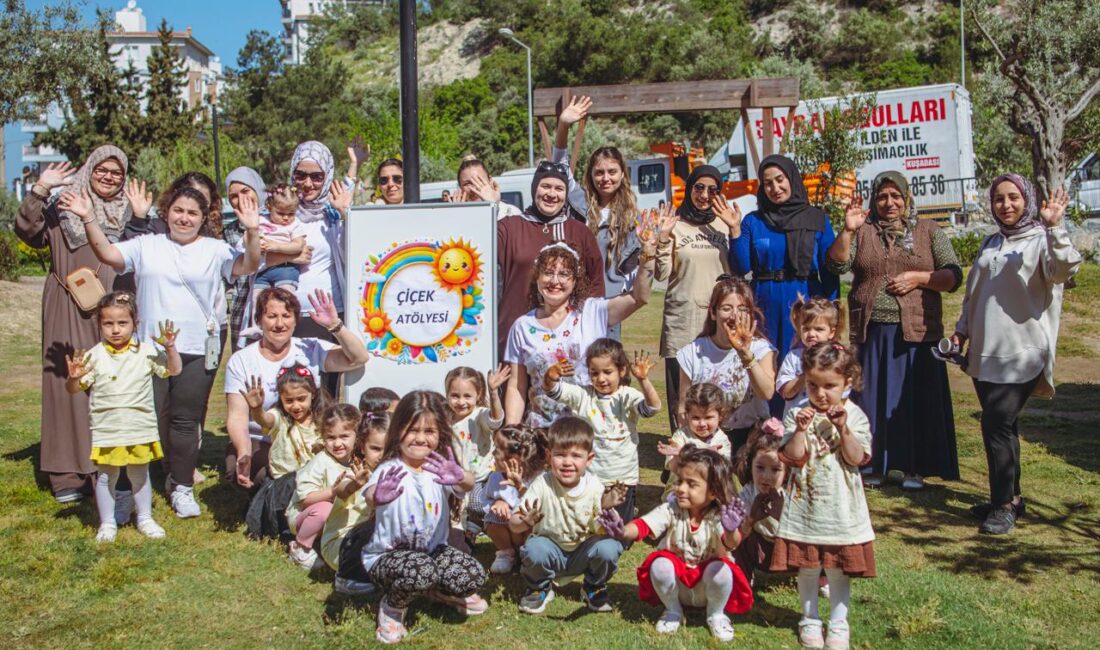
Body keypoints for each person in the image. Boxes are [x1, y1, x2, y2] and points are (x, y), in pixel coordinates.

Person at [61, 179, 261, 519]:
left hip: (197, 348)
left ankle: (180, 485)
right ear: (166, 212)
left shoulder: (215, 249)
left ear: (203, 217)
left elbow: (249, 265)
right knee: (136, 417)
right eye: (178, 211)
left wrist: (252, 230)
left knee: (184, 421)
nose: (184, 218)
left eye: (193, 213)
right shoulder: (146, 245)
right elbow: (108, 254)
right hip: (147, 351)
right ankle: (123, 491)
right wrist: (88, 218)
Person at [952, 176, 1082, 535]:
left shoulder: (1041, 240)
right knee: (1003, 428)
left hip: (1023, 352)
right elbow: (973, 295)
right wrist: (962, 330)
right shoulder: (990, 242)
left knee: (995, 424)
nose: (1006, 205)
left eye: (1013, 198)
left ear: (1026, 200)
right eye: (998, 199)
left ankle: (1002, 505)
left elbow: (1064, 269)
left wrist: (1055, 227)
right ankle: (1012, 498)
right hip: (984, 352)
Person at [827, 172, 962, 490]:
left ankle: (914, 467)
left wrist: (918, 278)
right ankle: (871, 464)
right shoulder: (864, 230)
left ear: (907, 198)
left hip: (916, 331)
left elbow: (953, 276)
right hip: (872, 330)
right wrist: (848, 230)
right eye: (883, 196)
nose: (890, 203)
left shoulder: (928, 230)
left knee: (911, 400)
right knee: (872, 399)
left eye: (896, 196)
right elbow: (837, 265)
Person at [16, 149, 133, 503]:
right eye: (103, 169)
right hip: (67, 302)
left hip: (115, 305)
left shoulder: (129, 211)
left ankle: (108, 467)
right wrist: (40, 190)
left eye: (117, 172)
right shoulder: (64, 204)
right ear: (89, 169)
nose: (109, 177)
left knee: (112, 384)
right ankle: (66, 472)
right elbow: (27, 231)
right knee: (66, 381)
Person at [773, 342, 875, 650]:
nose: (821, 393)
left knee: (837, 568)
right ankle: (810, 619)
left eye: (830, 386)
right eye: (813, 385)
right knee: (807, 566)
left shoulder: (855, 415)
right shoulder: (796, 413)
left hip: (841, 507)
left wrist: (843, 429)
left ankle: (839, 625)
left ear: (848, 381)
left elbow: (857, 457)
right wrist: (801, 431)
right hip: (806, 504)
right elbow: (792, 456)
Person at [362, 391, 487, 644]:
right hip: (387, 558)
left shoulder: (439, 467)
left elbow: (468, 484)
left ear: (440, 433)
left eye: (429, 431)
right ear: (398, 430)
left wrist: (461, 476)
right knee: (420, 570)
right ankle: (392, 608)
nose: (420, 438)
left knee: (474, 574)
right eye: (412, 430)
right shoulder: (390, 468)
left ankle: (436, 592)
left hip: (432, 552)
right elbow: (370, 493)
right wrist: (378, 496)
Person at [599, 447, 753, 642]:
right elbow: (643, 525)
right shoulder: (672, 509)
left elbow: (732, 544)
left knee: (721, 569)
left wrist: (731, 530)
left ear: (713, 492)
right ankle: (673, 611)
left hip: (708, 587)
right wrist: (622, 531)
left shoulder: (718, 515)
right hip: (677, 587)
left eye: (691, 484)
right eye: (680, 481)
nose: (680, 488)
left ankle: (716, 614)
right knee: (659, 565)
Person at [224, 287, 369, 490]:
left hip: (310, 437)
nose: (280, 323)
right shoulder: (242, 360)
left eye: (286, 316)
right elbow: (237, 417)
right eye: (272, 316)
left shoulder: (309, 348)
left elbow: (358, 358)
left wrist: (335, 326)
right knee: (252, 471)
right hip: (264, 439)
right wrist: (243, 451)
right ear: (259, 320)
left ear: (295, 320)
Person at [64, 292, 181, 542]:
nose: (115, 330)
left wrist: (170, 348)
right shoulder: (93, 355)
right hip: (108, 428)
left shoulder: (147, 352)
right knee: (107, 476)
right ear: (99, 325)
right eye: (108, 323)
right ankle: (107, 523)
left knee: (140, 474)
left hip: (140, 426)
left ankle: (145, 518)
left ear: (134, 324)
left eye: (122, 323)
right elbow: (75, 389)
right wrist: (73, 378)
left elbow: (173, 370)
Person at [503, 240, 655, 425]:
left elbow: (639, 297)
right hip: (542, 433)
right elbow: (517, 386)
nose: (555, 281)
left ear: (575, 281)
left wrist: (647, 254)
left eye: (564, 274)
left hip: (590, 431)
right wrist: (511, 432)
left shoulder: (593, 312)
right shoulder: (522, 326)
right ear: (537, 278)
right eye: (548, 273)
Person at [510, 416, 626, 615]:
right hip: (550, 550)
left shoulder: (594, 486)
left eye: (576, 456)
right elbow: (513, 524)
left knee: (610, 548)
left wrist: (605, 507)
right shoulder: (542, 484)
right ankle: (540, 587)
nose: (567, 462)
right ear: (548, 455)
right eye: (560, 455)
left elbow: (609, 529)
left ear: (589, 459)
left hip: (583, 551)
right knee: (533, 548)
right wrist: (524, 521)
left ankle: (593, 586)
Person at [729, 155, 839, 365]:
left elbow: (829, 271)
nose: (775, 188)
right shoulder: (753, 221)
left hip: (805, 301)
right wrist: (734, 230)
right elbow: (741, 267)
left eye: (780, 179)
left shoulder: (817, 219)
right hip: (764, 303)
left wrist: (832, 309)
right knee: (766, 363)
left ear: (792, 179)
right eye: (768, 183)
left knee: (805, 363)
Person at [656, 164, 741, 429]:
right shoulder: (675, 223)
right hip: (683, 320)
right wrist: (662, 238)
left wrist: (735, 231)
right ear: (690, 189)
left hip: (718, 319)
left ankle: (717, 449)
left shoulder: (724, 223)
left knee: (718, 388)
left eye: (712, 189)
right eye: (699, 188)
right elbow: (662, 274)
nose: (704, 195)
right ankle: (681, 449)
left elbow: (739, 269)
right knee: (681, 393)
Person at [542, 339, 661, 526]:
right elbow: (552, 390)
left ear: (621, 371)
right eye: (594, 373)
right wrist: (551, 376)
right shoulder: (583, 396)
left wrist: (644, 380)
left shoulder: (627, 395)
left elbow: (652, 408)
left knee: (619, 530)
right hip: (590, 478)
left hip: (622, 478)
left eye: (608, 372)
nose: (601, 379)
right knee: (588, 524)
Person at [552, 96, 644, 340]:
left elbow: (634, 265)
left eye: (612, 172)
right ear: (591, 175)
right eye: (599, 172)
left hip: (608, 306)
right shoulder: (578, 202)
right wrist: (563, 126)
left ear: (622, 174)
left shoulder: (631, 216)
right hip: (574, 301)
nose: (606, 178)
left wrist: (625, 293)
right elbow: (559, 166)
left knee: (605, 369)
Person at [497, 161, 607, 358]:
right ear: (534, 189)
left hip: (564, 339)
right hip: (514, 336)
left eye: (559, 188)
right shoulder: (509, 228)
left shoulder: (579, 232)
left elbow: (596, 286)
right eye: (545, 186)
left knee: (560, 389)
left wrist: (587, 330)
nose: (552, 194)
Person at [676, 277, 777, 451]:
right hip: (707, 435)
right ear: (713, 313)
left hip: (750, 435)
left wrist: (746, 354)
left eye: (742, 309)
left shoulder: (762, 349)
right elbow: (683, 407)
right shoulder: (692, 353)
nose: (734, 315)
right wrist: (691, 445)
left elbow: (767, 392)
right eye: (726, 308)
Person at [289, 141, 353, 348]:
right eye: (301, 175)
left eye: (317, 177)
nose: (308, 183)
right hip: (287, 316)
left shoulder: (333, 215)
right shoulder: (280, 213)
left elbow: (352, 256)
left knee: (327, 380)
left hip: (330, 315)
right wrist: (286, 256)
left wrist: (345, 215)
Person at [284, 404, 361, 570]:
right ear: (323, 437)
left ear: (357, 436)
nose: (337, 443)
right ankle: (300, 547)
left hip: (336, 515)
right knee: (325, 510)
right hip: (305, 515)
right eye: (331, 438)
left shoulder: (357, 460)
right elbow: (306, 499)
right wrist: (334, 491)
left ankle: (323, 543)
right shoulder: (321, 461)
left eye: (344, 436)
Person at [325, 410, 388, 595]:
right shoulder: (356, 471)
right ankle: (348, 579)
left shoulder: (394, 473)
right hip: (343, 547)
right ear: (362, 447)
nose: (382, 456)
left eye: (388, 449)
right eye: (375, 449)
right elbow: (342, 489)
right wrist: (354, 485)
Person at [238, 363, 328, 485]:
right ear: (280, 398)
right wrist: (256, 409)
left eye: (301, 399)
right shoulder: (279, 417)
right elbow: (264, 419)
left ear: (313, 394)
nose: (296, 406)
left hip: (318, 479)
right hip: (285, 482)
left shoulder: (323, 419)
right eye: (289, 401)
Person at [478, 425, 547, 574]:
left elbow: (541, 505)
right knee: (490, 518)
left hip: (529, 531)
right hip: (508, 531)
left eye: (496, 450)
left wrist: (520, 489)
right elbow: (484, 500)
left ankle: (528, 555)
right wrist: (496, 503)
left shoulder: (537, 478)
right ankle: (506, 552)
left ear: (514, 459)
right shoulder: (496, 477)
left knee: (532, 520)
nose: (493, 454)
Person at [224, 167, 275, 352]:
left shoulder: (278, 220)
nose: (241, 200)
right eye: (234, 196)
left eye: (246, 191)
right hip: (243, 308)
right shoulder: (229, 232)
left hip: (277, 308)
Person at [731, 417, 787, 585]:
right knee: (736, 534)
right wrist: (751, 518)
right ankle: (742, 578)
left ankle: (820, 578)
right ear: (750, 465)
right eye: (760, 468)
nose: (766, 477)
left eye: (776, 469)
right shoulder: (748, 492)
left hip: (790, 551)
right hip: (761, 549)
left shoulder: (793, 494)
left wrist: (780, 515)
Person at [657, 383, 732, 494]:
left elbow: (721, 472)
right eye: (696, 418)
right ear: (687, 415)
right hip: (679, 495)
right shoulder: (681, 436)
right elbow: (673, 467)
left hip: (708, 496)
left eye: (708, 417)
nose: (702, 423)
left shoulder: (721, 440)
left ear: (720, 415)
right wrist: (680, 455)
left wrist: (686, 454)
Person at [776, 296, 844, 417]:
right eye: (806, 329)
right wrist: (806, 374)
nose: (811, 334)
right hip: (796, 421)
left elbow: (844, 394)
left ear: (831, 332)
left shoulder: (837, 357)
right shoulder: (794, 357)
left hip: (826, 422)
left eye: (819, 329)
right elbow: (786, 392)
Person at [447, 156, 524, 218]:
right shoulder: (451, 215)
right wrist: (456, 217)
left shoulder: (511, 213)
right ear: (460, 187)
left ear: (490, 181)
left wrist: (493, 207)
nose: (474, 188)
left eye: (479, 180)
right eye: (467, 183)